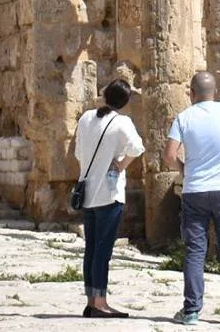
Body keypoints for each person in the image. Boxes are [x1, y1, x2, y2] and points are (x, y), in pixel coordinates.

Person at [164, 65, 220, 326]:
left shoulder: (183, 118)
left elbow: (169, 156)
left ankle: (192, 311)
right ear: (215, 93)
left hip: (195, 191)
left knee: (195, 251)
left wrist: (185, 170)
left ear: (191, 93)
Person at [73, 79, 144, 319]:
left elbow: (77, 153)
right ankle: (101, 303)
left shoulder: (85, 118)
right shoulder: (122, 122)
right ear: (125, 101)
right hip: (110, 193)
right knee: (103, 250)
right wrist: (120, 164)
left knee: (91, 249)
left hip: (88, 193)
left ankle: (92, 300)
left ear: (105, 96)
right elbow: (137, 147)